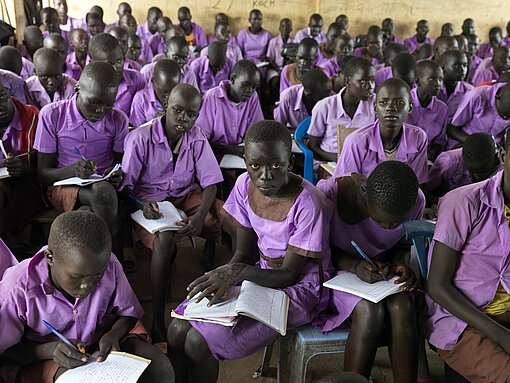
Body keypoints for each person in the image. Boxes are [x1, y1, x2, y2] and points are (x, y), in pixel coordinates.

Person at [167, 120, 333, 383]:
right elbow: (243, 252)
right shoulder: (245, 185)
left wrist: (237, 274)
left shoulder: (309, 203)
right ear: (245, 161)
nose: (264, 176)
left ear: (290, 161)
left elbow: (289, 273)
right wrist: (227, 283)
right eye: (255, 165)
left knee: (199, 342)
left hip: (299, 290)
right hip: (260, 276)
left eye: (275, 165)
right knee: (176, 329)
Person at [0, 211, 175, 383]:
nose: (88, 286)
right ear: (50, 258)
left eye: (98, 276)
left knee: (159, 367)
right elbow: (5, 352)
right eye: (77, 277)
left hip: (101, 342)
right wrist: (48, 350)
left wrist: (113, 334)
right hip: (45, 358)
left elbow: (128, 313)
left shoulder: (109, 264)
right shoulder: (17, 288)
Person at [121, 84, 230, 347]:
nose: (183, 119)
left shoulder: (197, 137)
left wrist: (200, 214)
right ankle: (158, 320)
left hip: (185, 195)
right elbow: (125, 189)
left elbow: (210, 183)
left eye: (191, 114)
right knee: (165, 240)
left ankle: (233, 300)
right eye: (178, 110)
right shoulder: (141, 138)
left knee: (232, 220)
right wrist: (142, 203)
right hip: (150, 202)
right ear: (165, 105)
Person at [319, 161, 424, 382]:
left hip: (380, 274)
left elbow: (402, 245)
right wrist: (353, 266)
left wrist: (400, 263)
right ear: (365, 192)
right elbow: (316, 251)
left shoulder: (416, 201)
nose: (387, 228)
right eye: (380, 220)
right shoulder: (329, 195)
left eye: (396, 223)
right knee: (369, 310)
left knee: (403, 303)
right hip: (335, 275)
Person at [425, 144, 510, 383]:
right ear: (503, 155)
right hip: (462, 319)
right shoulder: (463, 202)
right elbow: (437, 286)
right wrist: (502, 337)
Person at [33, 62, 126, 257]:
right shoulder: (52, 115)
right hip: (63, 184)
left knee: (88, 210)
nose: (100, 110)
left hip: (102, 183)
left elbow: (120, 164)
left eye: (108, 104)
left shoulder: (118, 120)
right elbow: (43, 174)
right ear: (77, 89)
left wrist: (117, 175)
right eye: (93, 102)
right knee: (103, 194)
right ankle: (114, 258)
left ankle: (99, 263)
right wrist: (73, 170)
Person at [332, 78, 429, 184]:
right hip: (362, 199)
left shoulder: (418, 137)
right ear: (375, 108)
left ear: (410, 108)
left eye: (399, 102)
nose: (390, 108)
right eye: (383, 102)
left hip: (403, 199)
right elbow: (346, 186)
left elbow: (417, 183)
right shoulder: (356, 141)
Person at [308, 57, 376, 163]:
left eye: (372, 81)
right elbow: (313, 146)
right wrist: (335, 158)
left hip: (364, 162)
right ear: (348, 81)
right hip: (331, 162)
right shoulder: (325, 107)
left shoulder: (376, 104)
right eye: (363, 81)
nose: (370, 86)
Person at [0, 82, 44, 237]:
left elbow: (50, 169)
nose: (1, 106)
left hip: (32, 186)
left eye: (2, 97)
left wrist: (25, 169)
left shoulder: (35, 119)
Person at [195, 60, 263, 158]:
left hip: (240, 153)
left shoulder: (253, 97)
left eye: (254, 87)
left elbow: (256, 131)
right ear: (233, 79)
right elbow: (201, 140)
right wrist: (233, 150)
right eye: (245, 85)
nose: (249, 91)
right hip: (213, 154)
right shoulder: (212, 97)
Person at [426, 132, 502, 196]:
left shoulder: (501, 168)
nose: (477, 177)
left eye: (482, 172)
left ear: (494, 159)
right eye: (472, 172)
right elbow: (429, 188)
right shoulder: (448, 162)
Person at [89, 33, 145, 118]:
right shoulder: (86, 86)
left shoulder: (136, 79)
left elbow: (140, 117)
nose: (116, 68)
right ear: (93, 63)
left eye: (119, 61)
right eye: (109, 64)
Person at [406, 60, 448, 161]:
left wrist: (431, 156)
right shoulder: (404, 101)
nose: (438, 84)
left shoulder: (442, 109)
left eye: (440, 79)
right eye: (432, 79)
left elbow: (439, 142)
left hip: (425, 157)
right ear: (417, 81)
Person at [447, 82, 510, 146]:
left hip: (495, 151)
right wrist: (480, 145)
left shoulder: (506, 107)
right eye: (503, 115)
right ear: (497, 97)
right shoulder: (476, 97)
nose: (505, 119)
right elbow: (452, 130)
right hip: (463, 144)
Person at [130, 59, 181, 128]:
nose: (169, 96)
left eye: (173, 90)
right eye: (164, 91)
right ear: (153, 81)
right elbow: (136, 130)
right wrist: (154, 123)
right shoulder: (141, 99)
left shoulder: (181, 98)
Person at [438, 50, 473, 123]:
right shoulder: (432, 88)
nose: (462, 70)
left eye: (465, 65)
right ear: (443, 67)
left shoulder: (469, 91)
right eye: (456, 66)